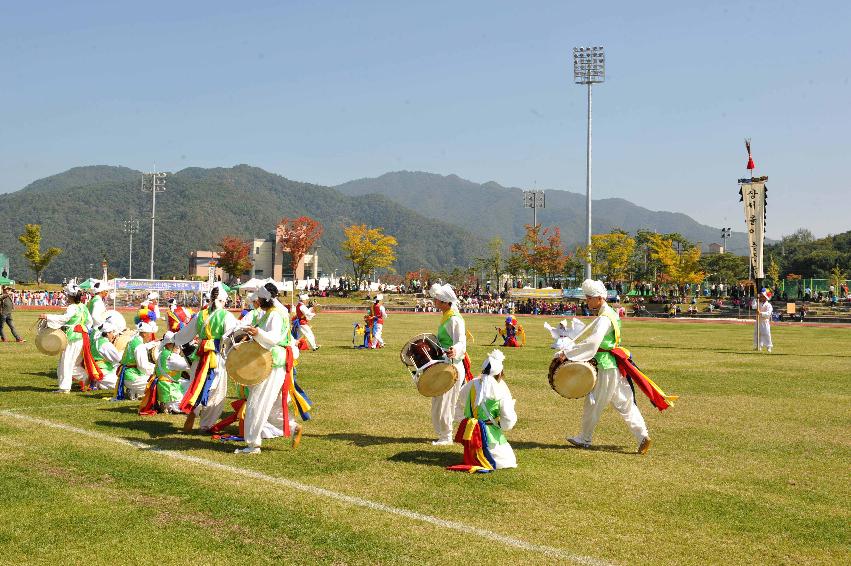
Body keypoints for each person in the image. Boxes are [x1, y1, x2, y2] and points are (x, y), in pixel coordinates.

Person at [558, 279, 653, 454]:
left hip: (605, 365)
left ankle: (584, 438)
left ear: (599, 298)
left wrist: (568, 354)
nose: (587, 302)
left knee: (593, 403)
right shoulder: (612, 313)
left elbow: (593, 343)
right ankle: (643, 435)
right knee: (625, 403)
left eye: (588, 299)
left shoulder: (603, 319)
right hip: (615, 365)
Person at [235, 281, 309, 454]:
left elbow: (274, 338)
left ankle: (253, 445)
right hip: (274, 362)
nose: (258, 301)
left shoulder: (275, 315)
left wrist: (257, 333)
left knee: (256, 402)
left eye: (260, 298)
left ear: (265, 299)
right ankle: (292, 427)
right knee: (270, 407)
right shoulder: (271, 313)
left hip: (271, 362)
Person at [174, 282, 238, 431]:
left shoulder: (201, 315)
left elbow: (185, 334)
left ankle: (193, 411)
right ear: (223, 300)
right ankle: (206, 424)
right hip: (217, 357)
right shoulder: (226, 315)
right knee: (216, 391)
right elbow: (232, 336)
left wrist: (174, 339)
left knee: (196, 385)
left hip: (200, 356)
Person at [449, 350, 517, 472]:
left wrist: (465, 420)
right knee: (508, 461)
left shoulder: (472, 383)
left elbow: (459, 401)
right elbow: (508, 418)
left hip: (470, 433)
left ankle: (474, 455)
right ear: (500, 372)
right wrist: (503, 426)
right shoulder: (501, 387)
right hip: (489, 435)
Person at [428, 283, 468, 445]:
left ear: (445, 302)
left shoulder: (455, 319)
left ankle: (446, 436)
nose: (434, 302)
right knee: (439, 399)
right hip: (444, 364)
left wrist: (455, 350)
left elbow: (461, 342)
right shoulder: (447, 316)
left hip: (452, 365)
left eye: (437, 300)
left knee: (446, 401)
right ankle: (444, 433)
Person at [40, 281, 91, 393]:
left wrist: (47, 316)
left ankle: (64, 388)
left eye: (67, 295)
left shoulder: (72, 307)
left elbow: (64, 319)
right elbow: (89, 321)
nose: (66, 297)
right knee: (73, 363)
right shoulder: (83, 306)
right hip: (82, 336)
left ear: (71, 296)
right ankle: (85, 377)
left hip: (72, 337)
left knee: (66, 362)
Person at [139, 331, 190, 415]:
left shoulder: (164, 353)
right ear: (168, 344)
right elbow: (187, 365)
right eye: (175, 344)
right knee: (186, 407)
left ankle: (166, 404)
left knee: (188, 383)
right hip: (168, 387)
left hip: (166, 385)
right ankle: (168, 406)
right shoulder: (171, 357)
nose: (178, 346)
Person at [114, 322, 158, 400]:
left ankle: (134, 390)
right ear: (144, 334)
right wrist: (155, 371)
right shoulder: (139, 346)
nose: (150, 336)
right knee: (156, 384)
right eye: (150, 334)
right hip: (132, 376)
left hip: (127, 374)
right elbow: (143, 367)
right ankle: (136, 391)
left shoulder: (133, 340)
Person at [754, 288, 773, 352]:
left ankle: (769, 346)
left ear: (766, 297)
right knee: (757, 334)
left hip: (765, 321)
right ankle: (758, 346)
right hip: (758, 321)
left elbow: (768, 314)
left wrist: (761, 313)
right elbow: (753, 306)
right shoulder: (758, 303)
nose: (761, 298)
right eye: (761, 296)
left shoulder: (768, 305)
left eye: (763, 296)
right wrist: (755, 298)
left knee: (766, 333)